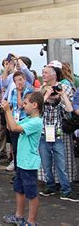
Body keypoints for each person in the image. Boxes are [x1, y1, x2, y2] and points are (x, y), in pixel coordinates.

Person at [1, 92, 44, 226]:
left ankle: (31, 221)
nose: (23, 105)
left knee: (31, 194)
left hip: (29, 164)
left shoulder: (36, 122)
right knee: (19, 189)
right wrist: (7, 112)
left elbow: (14, 127)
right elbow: (11, 127)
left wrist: (8, 110)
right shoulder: (28, 118)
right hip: (22, 162)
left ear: (35, 105)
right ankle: (19, 217)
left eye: (26, 103)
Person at [38, 65, 78, 202]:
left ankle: (66, 190)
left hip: (58, 136)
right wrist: (46, 94)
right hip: (43, 135)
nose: (43, 74)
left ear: (54, 75)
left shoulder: (59, 95)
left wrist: (62, 94)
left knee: (61, 165)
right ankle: (50, 186)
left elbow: (69, 108)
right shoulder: (43, 92)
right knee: (46, 164)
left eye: (46, 73)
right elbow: (36, 108)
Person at [5, 71, 34, 173]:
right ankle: (17, 172)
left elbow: (21, 105)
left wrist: (18, 92)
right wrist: (9, 121)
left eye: (20, 80)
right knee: (16, 148)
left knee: (24, 148)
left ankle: (24, 171)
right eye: (16, 81)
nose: (19, 83)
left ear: (24, 79)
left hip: (24, 121)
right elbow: (11, 107)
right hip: (15, 121)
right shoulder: (12, 91)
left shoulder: (29, 91)